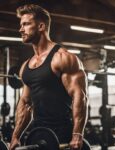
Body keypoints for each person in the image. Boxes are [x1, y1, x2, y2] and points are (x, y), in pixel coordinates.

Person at [10, 4, 88, 150]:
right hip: (39, 135)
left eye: (26, 24)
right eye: (21, 25)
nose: (21, 29)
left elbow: (80, 96)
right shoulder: (26, 66)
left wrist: (77, 134)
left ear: (41, 26)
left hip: (64, 137)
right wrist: (16, 136)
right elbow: (25, 103)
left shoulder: (63, 58)